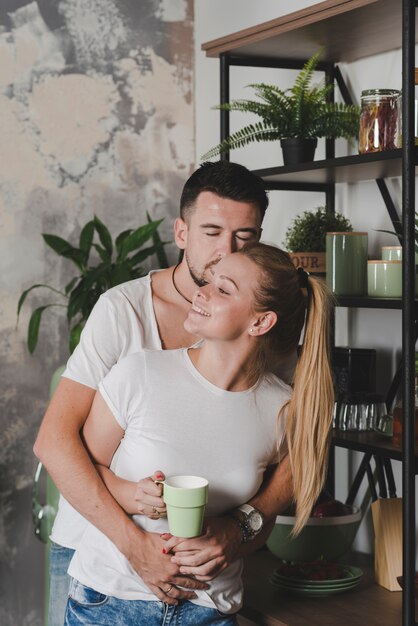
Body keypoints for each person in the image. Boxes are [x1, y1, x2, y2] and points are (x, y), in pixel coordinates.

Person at [33, 161, 295, 626]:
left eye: (244, 236)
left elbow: (293, 456)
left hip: (204, 593)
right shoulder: (123, 311)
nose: (224, 251)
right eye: (212, 231)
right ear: (181, 231)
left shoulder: (259, 329)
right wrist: (135, 543)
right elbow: (56, 441)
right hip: (99, 549)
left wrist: (238, 529)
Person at [64, 243, 334, 625]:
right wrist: (132, 495)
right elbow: (83, 471)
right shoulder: (139, 373)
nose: (201, 292)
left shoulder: (283, 409)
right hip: (109, 601)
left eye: (223, 289)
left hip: (209, 610)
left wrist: (234, 538)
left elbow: (264, 518)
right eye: (207, 281)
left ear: (260, 322)